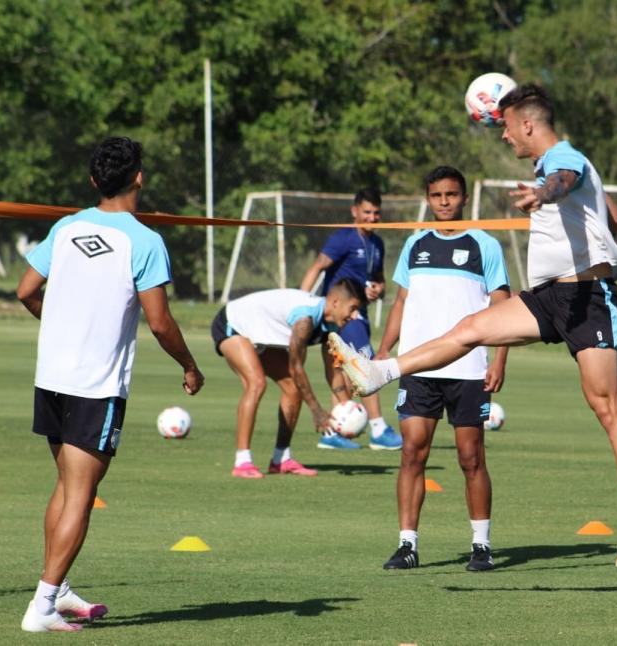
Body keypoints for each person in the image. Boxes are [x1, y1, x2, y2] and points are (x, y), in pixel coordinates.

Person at [329, 84, 617, 569]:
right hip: (549, 296)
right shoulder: (562, 160)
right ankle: (382, 371)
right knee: (469, 328)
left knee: (607, 407)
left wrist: (544, 193)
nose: (503, 137)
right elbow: (615, 215)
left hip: (589, 298)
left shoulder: (560, 158)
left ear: (527, 124)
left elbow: (564, 178)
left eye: (506, 127)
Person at [16, 137, 204, 632]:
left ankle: (55, 587)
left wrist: (59, 324)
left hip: (51, 377)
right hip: (94, 386)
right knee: (80, 495)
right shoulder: (143, 241)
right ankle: (42, 606)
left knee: (67, 487)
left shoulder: (66, 226)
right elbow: (161, 323)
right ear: (139, 177)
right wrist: (190, 365)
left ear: (94, 181)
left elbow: (25, 290)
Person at [376, 166, 510, 571]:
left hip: (469, 368)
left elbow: (503, 306)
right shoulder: (415, 244)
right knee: (412, 454)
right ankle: (407, 545)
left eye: (452, 194)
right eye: (437, 195)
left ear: (465, 198)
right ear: (428, 199)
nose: (445, 202)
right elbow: (401, 302)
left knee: (471, 458)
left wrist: (500, 358)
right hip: (419, 366)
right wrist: (385, 350)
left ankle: (481, 545)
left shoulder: (485, 245)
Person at [212, 280, 365, 478]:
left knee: (293, 389)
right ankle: (242, 462)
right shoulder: (305, 319)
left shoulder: (331, 327)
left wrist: (348, 409)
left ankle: (281, 459)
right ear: (335, 302)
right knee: (256, 384)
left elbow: (334, 372)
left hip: (259, 334)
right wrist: (316, 410)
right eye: (352, 308)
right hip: (233, 323)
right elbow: (296, 366)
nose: (355, 316)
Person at [300, 189, 403, 451]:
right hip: (345, 316)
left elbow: (378, 280)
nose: (372, 217)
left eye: (376, 213)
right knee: (364, 367)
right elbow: (317, 267)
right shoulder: (343, 238)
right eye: (366, 212)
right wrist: (300, 301)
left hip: (361, 312)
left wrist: (378, 290)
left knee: (345, 373)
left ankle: (334, 430)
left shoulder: (377, 244)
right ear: (355, 211)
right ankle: (378, 428)